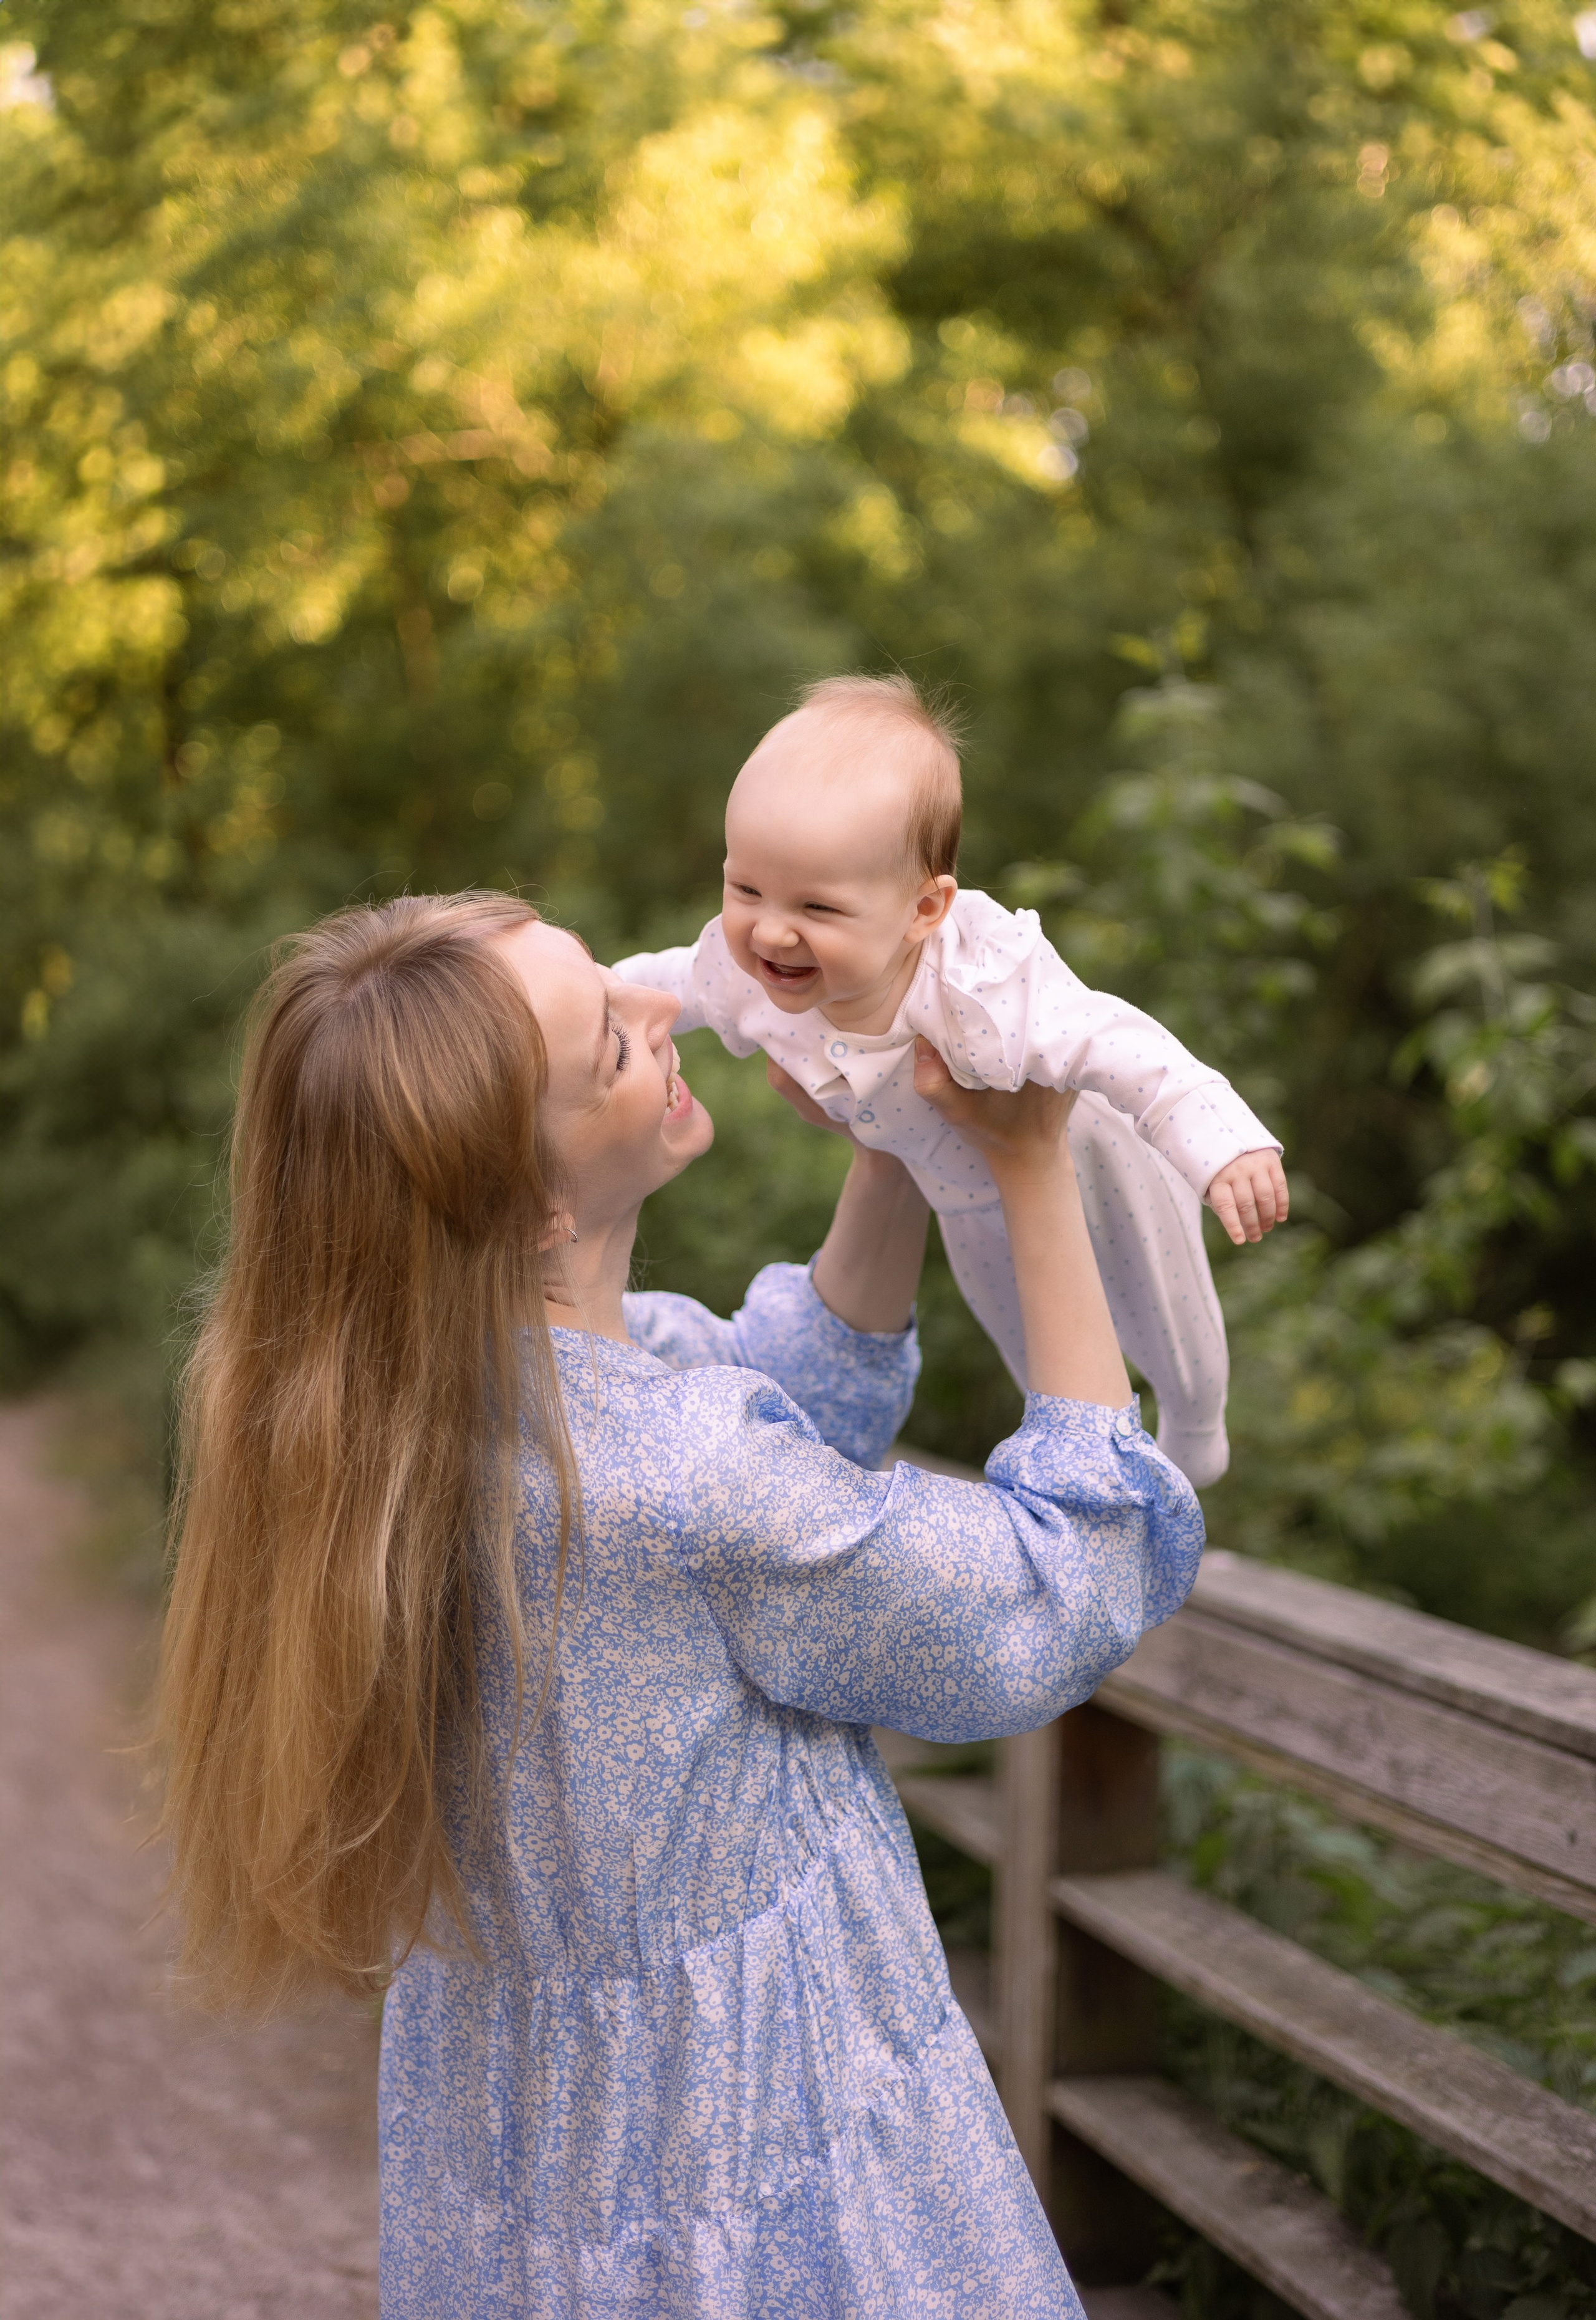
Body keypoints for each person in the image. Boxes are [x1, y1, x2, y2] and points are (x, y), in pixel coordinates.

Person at [155, 890, 1204, 2319]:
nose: (666, 1006)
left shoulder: (421, 1413)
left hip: (526, 2136)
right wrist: (1027, 1171)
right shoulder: (681, 1483)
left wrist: (895, 1136)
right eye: (609, 1043)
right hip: (761, 2129)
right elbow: (1050, 1587)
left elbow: (788, 1398)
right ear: (534, 1203)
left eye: (616, 981)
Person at [613, 673, 1290, 1487]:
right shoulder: (743, 971)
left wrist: (1223, 1143)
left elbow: (1118, 1041)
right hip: (962, 1193)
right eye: (744, 887)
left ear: (924, 910)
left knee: (1164, 1295)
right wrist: (572, 995)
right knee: (1028, 1337)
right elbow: (656, 986)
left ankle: (1195, 1413)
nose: (771, 929)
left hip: (1090, 1155)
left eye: (818, 909)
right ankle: (1118, 1455)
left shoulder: (978, 980)